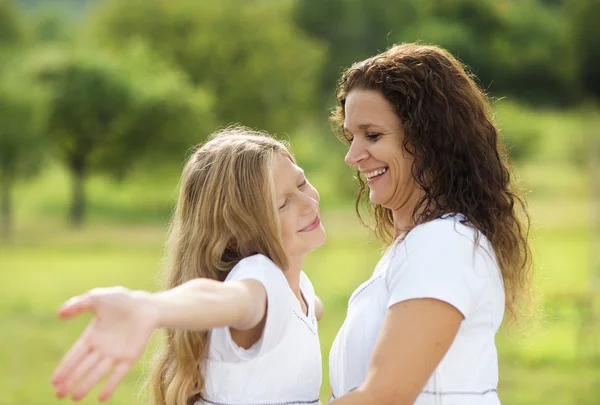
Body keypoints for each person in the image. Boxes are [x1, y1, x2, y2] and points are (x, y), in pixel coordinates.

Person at [50, 126, 326, 405]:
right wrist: (151, 307)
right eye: (282, 204)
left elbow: (306, 310)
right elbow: (228, 299)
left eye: (302, 183)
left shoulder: (297, 291)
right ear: (239, 231)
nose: (308, 203)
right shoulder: (262, 281)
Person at [327, 43, 533, 405]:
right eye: (351, 137)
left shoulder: (442, 244)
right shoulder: (421, 244)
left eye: (372, 135)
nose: (352, 155)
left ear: (427, 139)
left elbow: (385, 395)